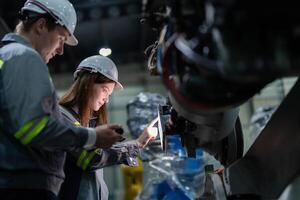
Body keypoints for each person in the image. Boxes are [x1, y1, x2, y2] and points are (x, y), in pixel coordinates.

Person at [0, 0, 123, 199]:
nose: (61, 50)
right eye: (61, 39)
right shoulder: (25, 57)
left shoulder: (8, 56)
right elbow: (35, 128)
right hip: (25, 187)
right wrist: (94, 137)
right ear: (41, 25)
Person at [58, 55, 158, 200]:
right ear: (88, 83)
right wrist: (136, 145)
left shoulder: (88, 124)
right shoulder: (62, 116)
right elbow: (91, 157)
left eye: (109, 94)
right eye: (105, 90)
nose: (107, 99)